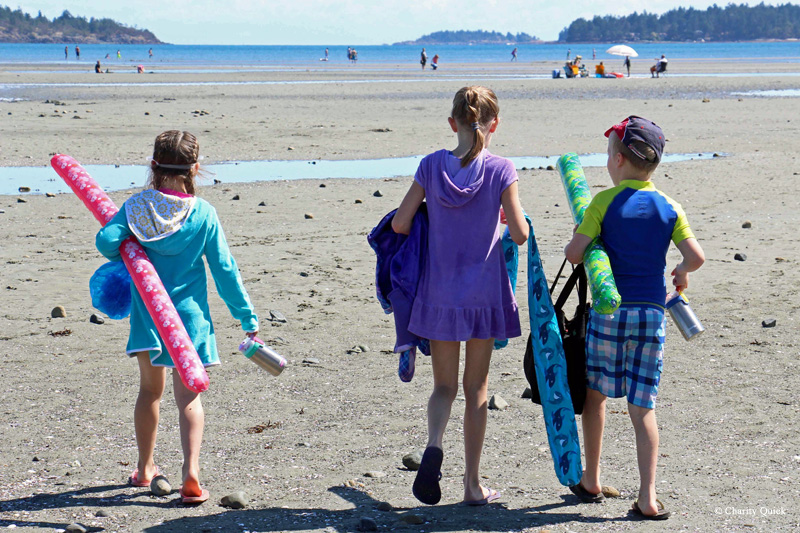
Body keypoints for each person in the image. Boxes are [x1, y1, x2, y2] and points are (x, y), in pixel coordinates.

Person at [95, 130, 259, 505]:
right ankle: (191, 473)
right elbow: (224, 270)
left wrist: (128, 240)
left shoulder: (137, 208)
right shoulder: (204, 213)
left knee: (150, 392)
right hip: (192, 321)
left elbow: (105, 242)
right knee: (189, 399)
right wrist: (246, 315)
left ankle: (145, 466)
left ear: (153, 166)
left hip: (150, 321)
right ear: (195, 169)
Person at [392, 86, 528, 506]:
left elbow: (400, 224)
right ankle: (471, 484)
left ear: (453, 124)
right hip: (484, 294)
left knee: (444, 387)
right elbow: (520, 234)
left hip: (439, 294)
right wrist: (502, 219)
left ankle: (434, 444)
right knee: (478, 389)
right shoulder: (502, 169)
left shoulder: (431, 166)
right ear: (494, 125)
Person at [564, 116, 705, 520]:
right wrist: (680, 273)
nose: (608, 162)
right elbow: (696, 257)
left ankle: (591, 478)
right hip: (651, 314)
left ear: (620, 161)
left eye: (609, 155)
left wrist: (583, 234)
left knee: (597, 396)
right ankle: (647, 496)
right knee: (643, 408)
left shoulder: (603, 203)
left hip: (610, 313)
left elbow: (575, 254)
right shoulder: (669, 206)